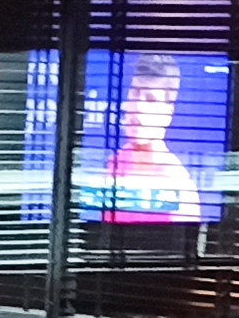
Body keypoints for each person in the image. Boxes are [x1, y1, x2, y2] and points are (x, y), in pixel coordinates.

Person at [89, 53, 213, 225]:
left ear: (168, 113)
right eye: (134, 94)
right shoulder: (114, 165)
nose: (137, 107)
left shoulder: (177, 187)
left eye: (150, 99)